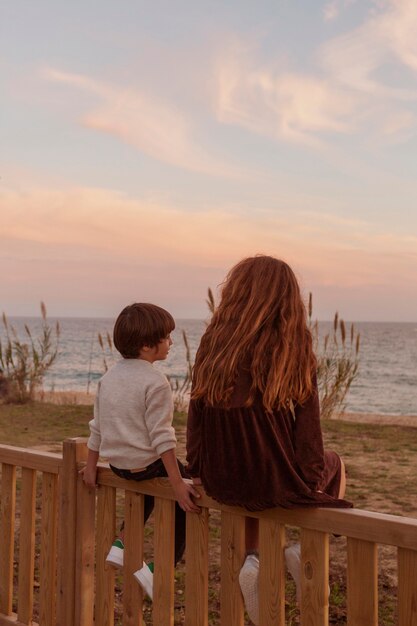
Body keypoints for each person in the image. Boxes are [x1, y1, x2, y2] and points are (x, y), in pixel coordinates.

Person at [186, 255, 352, 624]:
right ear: (288, 300)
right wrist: (308, 484)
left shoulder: (213, 343)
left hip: (222, 477)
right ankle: (304, 546)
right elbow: (308, 427)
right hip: (273, 478)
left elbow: (195, 411)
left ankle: (254, 558)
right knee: (334, 461)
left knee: (253, 476)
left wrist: (196, 468)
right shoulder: (293, 344)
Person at [81, 302, 200, 600]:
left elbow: (97, 426)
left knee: (147, 487)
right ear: (148, 344)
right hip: (148, 465)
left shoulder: (108, 378)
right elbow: (162, 436)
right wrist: (177, 482)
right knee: (183, 505)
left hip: (120, 466)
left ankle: (121, 544)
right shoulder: (155, 382)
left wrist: (91, 466)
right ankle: (160, 570)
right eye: (167, 337)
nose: (171, 342)